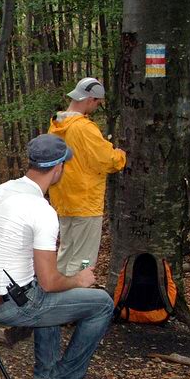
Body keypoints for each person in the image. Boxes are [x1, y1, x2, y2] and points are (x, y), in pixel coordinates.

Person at [0, 134, 114, 379]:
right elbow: (50, 282)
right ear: (58, 167)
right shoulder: (42, 210)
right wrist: (79, 279)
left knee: (45, 295)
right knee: (102, 304)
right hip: (12, 305)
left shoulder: (3, 189)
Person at [48, 77, 127, 275]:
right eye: (97, 103)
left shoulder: (56, 125)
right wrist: (121, 155)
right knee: (84, 258)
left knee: (67, 250)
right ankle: (79, 293)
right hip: (85, 201)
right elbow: (107, 159)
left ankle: (60, 293)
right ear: (90, 99)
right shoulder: (84, 128)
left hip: (63, 199)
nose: (96, 107)